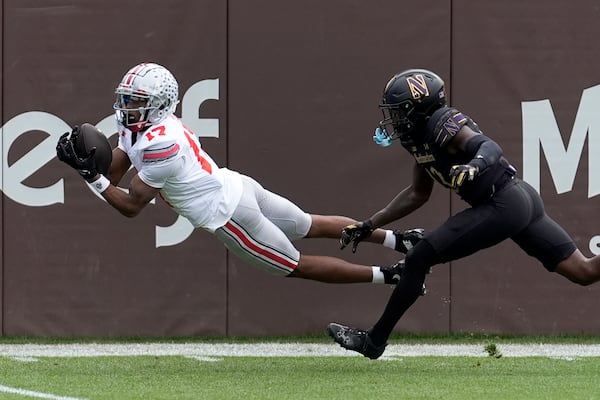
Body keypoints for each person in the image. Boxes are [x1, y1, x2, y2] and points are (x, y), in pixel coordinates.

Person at [56, 62, 424, 286]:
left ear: (159, 104)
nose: (126, 107)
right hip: (236, 186)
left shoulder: (159, 143)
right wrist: (95, 169)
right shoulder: (145, 128)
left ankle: (390, 275)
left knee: (294, 266)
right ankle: (399, 239)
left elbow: (131, 205)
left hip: (228, 216)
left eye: (135, 101)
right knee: (310, 224)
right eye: (126, 98)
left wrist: (91, 176)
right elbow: (115, 174)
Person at [328, 68, 600, 359]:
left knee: (419, 256)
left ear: (419, 108)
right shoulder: (418, 138)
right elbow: (417, 193)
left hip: (503, 202)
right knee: (584, 271)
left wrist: (475, 165)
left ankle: (374, 341)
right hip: (517, 200)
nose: (394, 120)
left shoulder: (440, 121)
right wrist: (371, 223)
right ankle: (375, 340)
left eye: (399, 112)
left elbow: (487, 146)